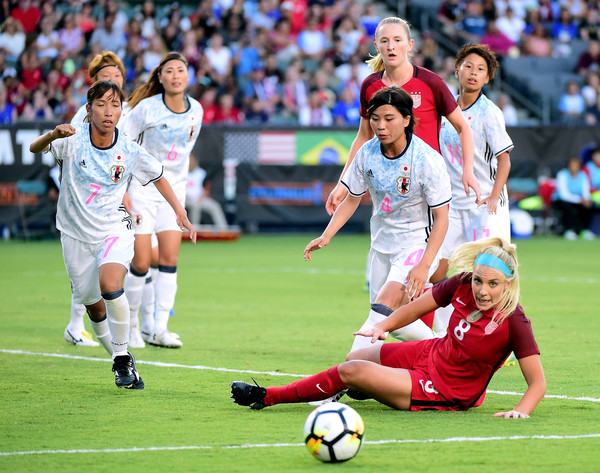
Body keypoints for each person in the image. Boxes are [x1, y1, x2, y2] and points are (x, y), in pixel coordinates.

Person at [231, 237, 546, 417]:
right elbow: (414, 309)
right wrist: (383, 326)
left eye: (492, 284)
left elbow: (537, 384)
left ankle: (268, 396)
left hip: (448, 389)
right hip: (431, 353)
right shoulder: (462, 283)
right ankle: (366, 387)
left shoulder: (515, 320)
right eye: (479, 280)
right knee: (362, 355)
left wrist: (521, 411)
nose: (482, 291)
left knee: (351, 370)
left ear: (508, 284)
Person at [29, 80, 196, 389]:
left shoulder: (129, 149)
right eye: (102, 105)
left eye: (115, 105)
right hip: (74, 234)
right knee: (93, 305)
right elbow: (34, 147)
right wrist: (52, 134)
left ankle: (121, 358)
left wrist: (180, 211)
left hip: (113, 229)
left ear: (121, 111)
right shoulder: (72, 138)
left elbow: (159, 177)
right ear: (89, 110)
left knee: (110, 285)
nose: (109, 112)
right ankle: (123, 360)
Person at [304, 87, 451, 354]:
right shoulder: (367, 153)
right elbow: (351, 198)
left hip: (416, 245)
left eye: (388, 118)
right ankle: (441, 348)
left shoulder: (428, 160)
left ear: (407, 119)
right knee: (391, 321)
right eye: (375, 118)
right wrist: (327, 235)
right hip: (381, 246)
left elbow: (442, 218)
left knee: (381, 309)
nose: (380, 126)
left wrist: (425, 264)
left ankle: (346, 373)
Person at [326, 16, 479, 217]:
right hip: (388, 184)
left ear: (409, 45)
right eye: (385, 41)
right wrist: (342, 184)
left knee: (430, 246)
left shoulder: (431, 82)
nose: (391, 46)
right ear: (376, 46)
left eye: (398, 40)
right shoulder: (370, 86)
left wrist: (468, 170)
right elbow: (363, 137)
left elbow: (463, 127)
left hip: (427, 183)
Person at [122, 52, 204, 349]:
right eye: (169, 71)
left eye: (180, 70)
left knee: (170, 259)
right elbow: (123, 145)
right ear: (160, 77)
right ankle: (131, 326)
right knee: (141, 262)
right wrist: (124, 189)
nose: (175, 75)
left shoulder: (197, 110)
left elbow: (181, 158)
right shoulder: (145, 109)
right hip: (143, 190)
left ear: (187, 75)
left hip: (174, 193)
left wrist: (179, 198)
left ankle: (158, 328)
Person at [434, 43, 513, 336]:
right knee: (438, 271)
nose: (473, 73)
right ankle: (440, 336)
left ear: (487, 79)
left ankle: (495, 337)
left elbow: (504, 160)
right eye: (468, 66)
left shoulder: (490, 113)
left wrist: (494, 196)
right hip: (451, 204)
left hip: (484, 206)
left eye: (481, 69)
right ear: (457, 70)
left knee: (490, 273)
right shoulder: (445, 110)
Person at [60, 51, 128, 347]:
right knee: (87, 275)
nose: (112, 81)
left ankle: (124, 336)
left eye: (117, 76)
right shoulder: (85, 116)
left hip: (115, 196)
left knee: (109, 273)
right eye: (105, 78)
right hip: (86, 202)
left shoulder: (125, 111)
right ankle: (78, 325)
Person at [552, 156, 595, 240]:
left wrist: (586, 200)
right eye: (572, 165)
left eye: (576, 165)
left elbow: (585, 191)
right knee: (570, 209)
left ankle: (583, 230)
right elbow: (564, 194)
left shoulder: (583, 175)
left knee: (589, 207)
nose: (574, 167)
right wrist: (579, 200)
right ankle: (569, 230)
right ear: (568, 166)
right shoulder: (562, 174)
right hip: (561, 201)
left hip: (579, 201)